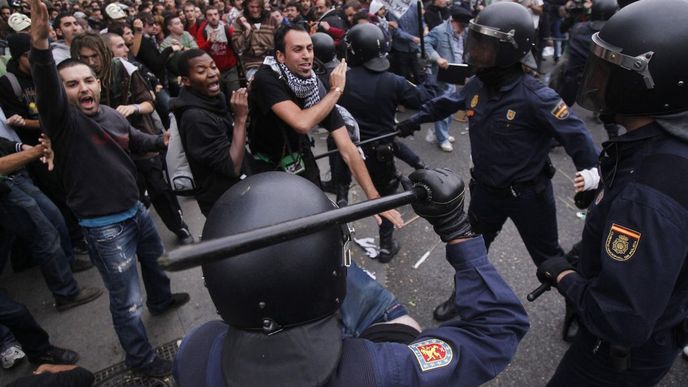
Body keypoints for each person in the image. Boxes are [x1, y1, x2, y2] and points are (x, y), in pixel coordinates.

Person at [173, 168, 529, 387]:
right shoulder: (380, 370)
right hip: (366, 340)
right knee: (397, 321)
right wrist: (457, 229)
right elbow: (499, 328)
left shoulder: (196, 350)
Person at [397, 1, 599, 321]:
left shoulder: (537, 96)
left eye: (484, 47)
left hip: (529, 197)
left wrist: (591, 178)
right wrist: (413, 121)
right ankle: (462, 297)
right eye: (475, 42)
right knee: (470, 251)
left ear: (508, 51)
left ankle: (579, 307)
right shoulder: (479, 85)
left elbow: (578, 137)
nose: (475, 52)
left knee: (548, 259)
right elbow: (446, 103)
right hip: (487, 192)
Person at [28, 0, 189, 377]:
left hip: (136, 211)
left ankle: (162, 300)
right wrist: (38, 46)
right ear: (61, 92)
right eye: (72, 84)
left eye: (88, 80)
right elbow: (48, 88)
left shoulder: (109, 114)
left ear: (98, 84)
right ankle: (141, 360)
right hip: (105, 228)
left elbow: (133, 139)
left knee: (155, 262)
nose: (83, 88)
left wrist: (162, 141)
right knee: (127, 301)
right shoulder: (64, 122)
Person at [534, 1, 688, 385]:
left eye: (609, 70)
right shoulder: (654, 148)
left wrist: (565, 276)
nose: (596, 79)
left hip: (617, 357)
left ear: (647, 82)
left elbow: (621, 319)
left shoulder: (648, 191)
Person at [248, 24, 402, 227]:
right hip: (266, 164)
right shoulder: (266, 78)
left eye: (309, 48)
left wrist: (374, 199)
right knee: (278, 220)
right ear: (281, 56)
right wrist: (336, 91)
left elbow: (347, 147)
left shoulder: (313, 84)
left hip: (299, 155)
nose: (307, 56)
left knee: (314, 211)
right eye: (297, 49)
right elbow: (301, 123)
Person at [338, 24, 433, 263]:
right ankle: (386, 246)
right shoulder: (392, 81)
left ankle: (339, 236)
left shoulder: (338, 81)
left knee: (342, 193)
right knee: (385, 198)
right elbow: (422, 99)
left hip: (346, 150)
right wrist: (424, 73)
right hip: (380, 153)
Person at [169, 49, 248, 216]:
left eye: (213, 66)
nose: (212, 73)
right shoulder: (195, 118)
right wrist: (240, 118)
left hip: (237, 192)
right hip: (224, 203)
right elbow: (232, 167)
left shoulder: (212, 100)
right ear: (186, 81)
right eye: (201, 71)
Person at [554, 0, 619, 139]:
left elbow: (565, 28)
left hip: (575, 78)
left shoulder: (579, 28)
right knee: (607, 112)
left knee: (561, 106)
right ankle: (614, 140)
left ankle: (552, 135)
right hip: (598, 82)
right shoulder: (615, 34)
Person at [423, 5, 472, 152]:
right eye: (461, 26)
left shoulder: (462, 32)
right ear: (453, 21)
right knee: (444, 107)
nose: (463, 30)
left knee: (451, 107)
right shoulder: (440, 31)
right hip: (441, 76)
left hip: (454, 75)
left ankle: (442, 133)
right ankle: (442, 138)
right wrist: (437, 59)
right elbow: (425, 44)